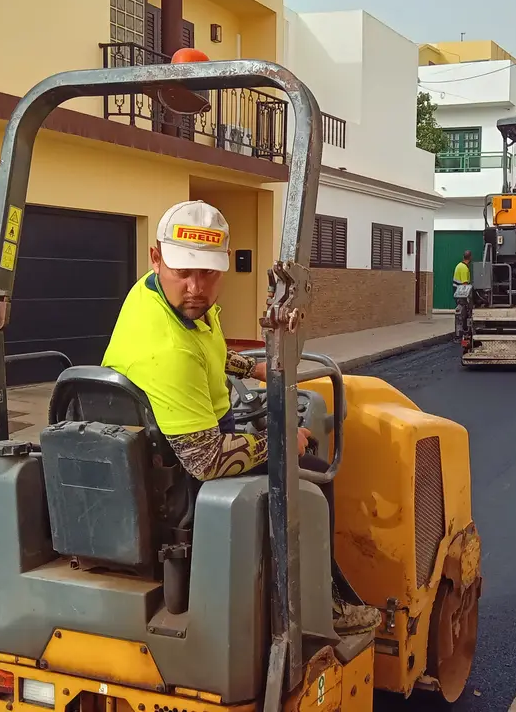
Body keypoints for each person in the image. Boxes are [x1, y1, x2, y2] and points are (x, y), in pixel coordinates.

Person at [101, 200, 381, 634]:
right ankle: (323, 605)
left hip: (168, 441)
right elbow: (207, 461)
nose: (195, 287)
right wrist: (285, 439)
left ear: (223, 266)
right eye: (184, 272)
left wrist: (249, 368)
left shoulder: (158, 294)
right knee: (313, 472)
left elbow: (204, 346)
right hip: (179, 471)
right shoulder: (167, 350)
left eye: (208, 273)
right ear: (156, 257)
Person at [452, 250, 473, 340]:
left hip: (457, 292)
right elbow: (465, 284)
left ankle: (459, 334)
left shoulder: (459, 265)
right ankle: (463, 332)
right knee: (464, 313)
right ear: (470, 257)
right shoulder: (464, 268)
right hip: (462, 293)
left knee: (460, 313)